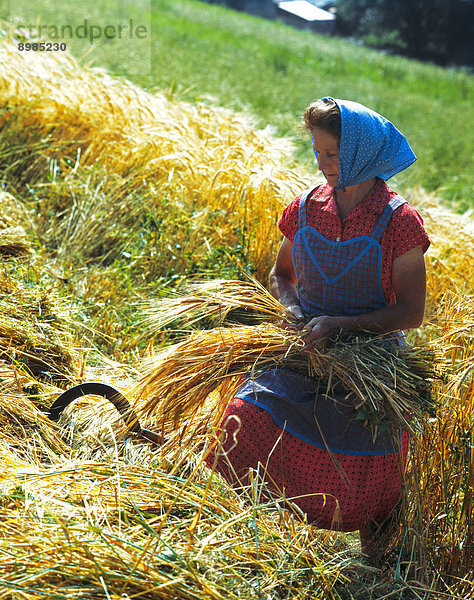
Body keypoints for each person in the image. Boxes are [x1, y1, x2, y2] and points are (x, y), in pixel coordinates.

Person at [205, 97, 430, 560]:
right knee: (244, 419)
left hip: (371, 364)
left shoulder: (400, 223)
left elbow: (411, 311)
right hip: (304, 347)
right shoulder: (306, 208)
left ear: (361, 155)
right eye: (317, 152)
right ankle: (239, 546)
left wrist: (342, 325)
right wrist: (291, 310)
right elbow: (281, 276)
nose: (322, 164)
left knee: (370, 473)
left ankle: (382, 573)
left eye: (332, 154)